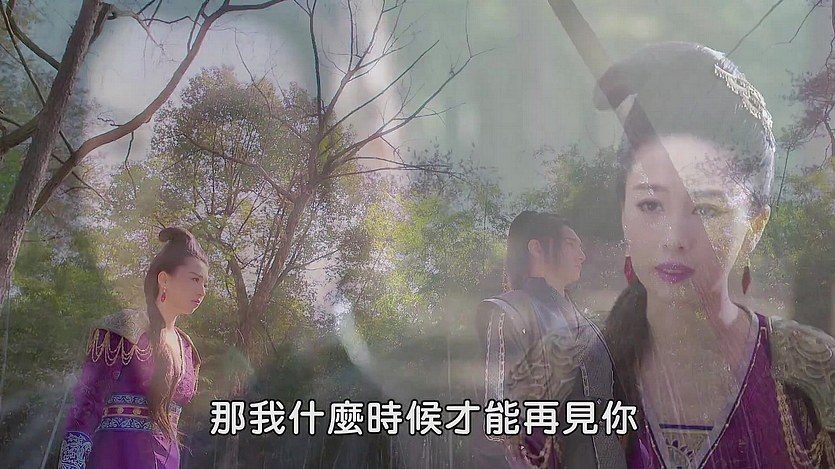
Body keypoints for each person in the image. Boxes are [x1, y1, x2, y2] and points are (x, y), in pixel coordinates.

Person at [594, 42, 835, 468]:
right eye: (650, 205)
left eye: (706, 210)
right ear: (622, 214)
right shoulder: (563, 371)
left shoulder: (816, 376)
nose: (674, 238)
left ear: (755, 226)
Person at [475, 211, 626, 468]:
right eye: (570, 244)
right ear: (536, 248)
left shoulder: (590, 326)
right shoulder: (510, 312)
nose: (581, 255)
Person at [58, 227, 209, 469]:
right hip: (117, 459)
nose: (201, 291)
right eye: (194, 279)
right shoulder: (125, 329)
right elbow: (87, 404)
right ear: (164, 279)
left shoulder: (187, 348)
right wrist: (70, 464)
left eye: (205, 284)